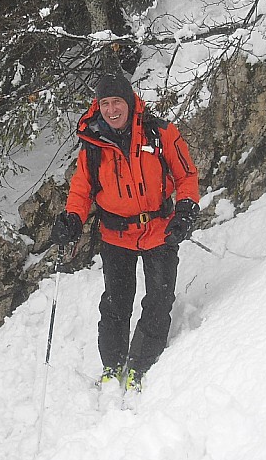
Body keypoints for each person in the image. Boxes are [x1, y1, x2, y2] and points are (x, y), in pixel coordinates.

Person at [52, 73, 200, 391]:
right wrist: (71, 220)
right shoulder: (92, 145)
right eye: (105, 103)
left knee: (159, 298)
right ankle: (113, 365)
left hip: (158, 229)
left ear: (129, 102)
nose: (111, 109)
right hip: (115, 235)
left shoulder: (159, 133)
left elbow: (186, 173)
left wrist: (186, 209)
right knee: (116, 303)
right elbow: (81, 190)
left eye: (117, 101)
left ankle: (140, 365)